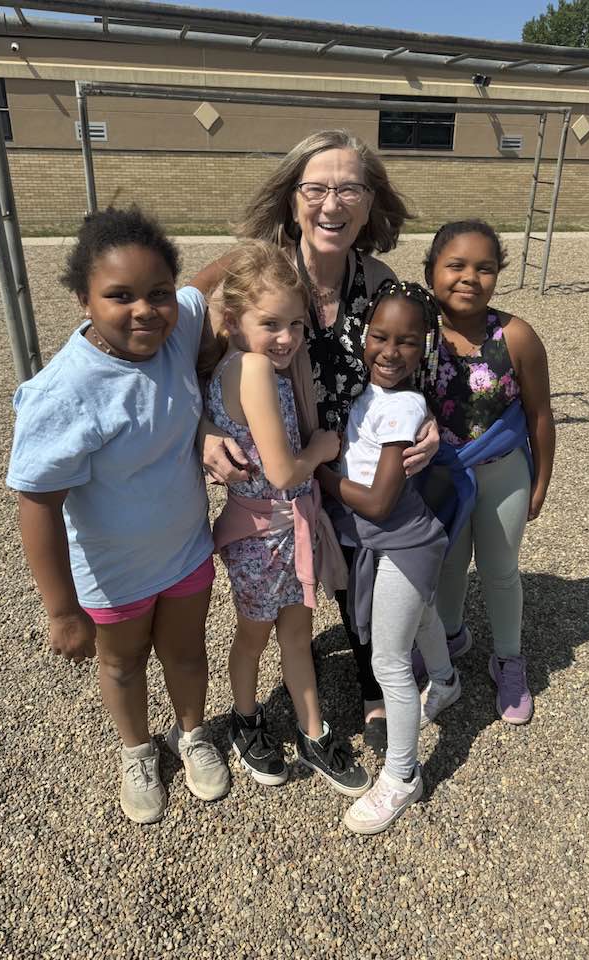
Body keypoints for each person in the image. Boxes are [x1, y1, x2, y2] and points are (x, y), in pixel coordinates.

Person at [195, 130, 441, 755]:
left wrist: (428, 421)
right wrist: (201, 430)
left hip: (348, 465)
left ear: (369, 201)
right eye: (316, 188)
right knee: (289, 601)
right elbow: (168, 349)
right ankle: (258, 712)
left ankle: (376, 685)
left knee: (364, 572)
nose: (332, 203)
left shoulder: (381, 281)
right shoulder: (254, 273)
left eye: (349, 188)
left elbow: (411, 361)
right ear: (291, 198)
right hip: (283, 474)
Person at [6, 206, 230, 824]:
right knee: (124, 662)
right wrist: (61, 610)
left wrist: (269, 248)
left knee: (186, 655)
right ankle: (136, 750)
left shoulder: (177, 327)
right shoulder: (66, 392)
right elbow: (38, 503)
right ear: (83, 298)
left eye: (157, 292)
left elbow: (209, 279)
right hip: (112, 572)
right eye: (119, 295)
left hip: (185, 550)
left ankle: (192, 734)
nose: (144, 310)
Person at [204, 240, 370, 798]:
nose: (287, 338)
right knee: (255, 637)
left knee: (296, 635)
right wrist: (323, 448)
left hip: (285, 532)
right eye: (270, 322)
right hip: (262, 536)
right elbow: (280, 471)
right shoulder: (250, 367)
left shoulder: (247, 366)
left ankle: (313, 731)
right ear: (232, 321)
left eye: (296, 325)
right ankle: (245, 721)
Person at [316, 280, 460, 835]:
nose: (389, 352)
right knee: (420, 616)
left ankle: (402, 776)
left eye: (406, 342)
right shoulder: (369, 394)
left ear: (424, 346)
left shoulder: (401, 406)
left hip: (400, 538)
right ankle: (446, 680)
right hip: (396, 540)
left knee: (389, 663)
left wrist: (324, 475)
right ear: (363, 336)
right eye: (380, 337)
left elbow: (377, 500)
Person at [422, 220, 556, 725]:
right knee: (448, 565)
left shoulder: (516, 336)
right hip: (442, 476)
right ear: (431, 270)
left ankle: (508, 657)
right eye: (455, 265)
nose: (469, 278)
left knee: (500, 570)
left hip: (503, 472)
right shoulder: (419, 330)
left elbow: (541, 415)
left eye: (484, 267)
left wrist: (540, 483)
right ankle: (451, 635)